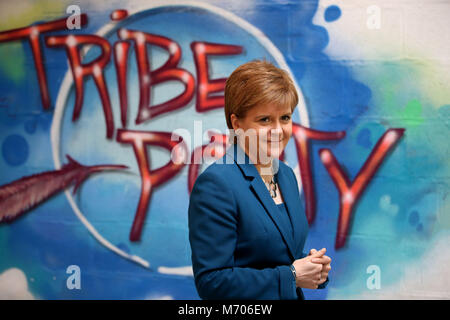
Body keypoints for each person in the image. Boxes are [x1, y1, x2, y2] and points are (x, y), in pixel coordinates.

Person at [188, 60, 331, 300]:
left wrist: (312, 268)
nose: (278, 130)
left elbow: (275, 254)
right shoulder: (216, 184)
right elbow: (211, 282)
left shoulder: (285, 174)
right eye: (265, 120)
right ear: (236, 124)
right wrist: (292, 276)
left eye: (285, 118)